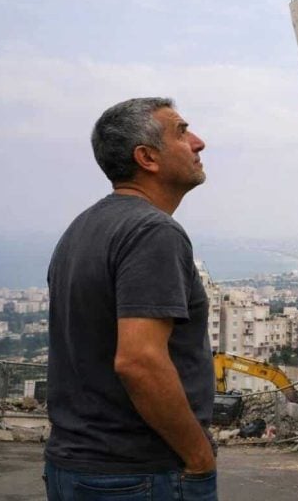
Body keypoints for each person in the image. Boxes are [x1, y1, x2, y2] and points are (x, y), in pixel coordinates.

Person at [44, 98, 217, 500]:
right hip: (138, 474)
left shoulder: (81, 229)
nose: (198, 142)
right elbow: (139, 361)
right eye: (181, 131)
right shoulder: (152, 232)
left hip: (73, 465)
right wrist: (199, 457)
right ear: (147, 157)